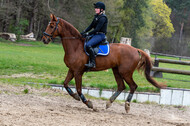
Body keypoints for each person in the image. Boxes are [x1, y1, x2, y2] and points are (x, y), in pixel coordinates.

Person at [81, 1, 108, 68]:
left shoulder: (103, 18)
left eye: (97, 8)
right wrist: (84, 31)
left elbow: (97, 29)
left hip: (100, 35)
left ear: (101, 9)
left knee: (88, 45)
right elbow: (91, 26)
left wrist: (88, 34)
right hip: (95, 34)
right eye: (95, 8)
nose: (95, 9)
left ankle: (93, 63)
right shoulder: (96, 17)